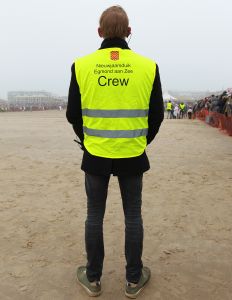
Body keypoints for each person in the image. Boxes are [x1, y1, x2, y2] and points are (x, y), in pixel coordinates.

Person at [66, 5, 164, 298]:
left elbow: (73, 113)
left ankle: (93, 278)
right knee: (133, 216)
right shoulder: (148, 66)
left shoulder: (81, 65)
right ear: (129, 33)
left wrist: (88, 140)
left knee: (94, 215)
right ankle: (134, 279)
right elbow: (156, 115)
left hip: (95, 153)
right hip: (133, 153)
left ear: (99, 32)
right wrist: (141, 141)